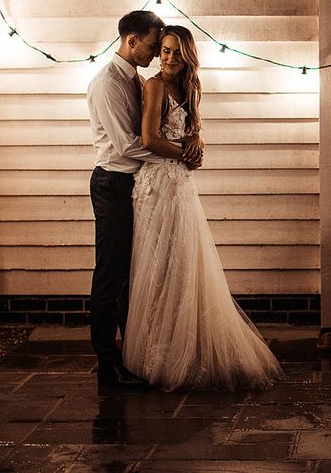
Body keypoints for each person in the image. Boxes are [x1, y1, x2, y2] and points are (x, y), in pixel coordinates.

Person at [122, 25, 284, 391]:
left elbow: (187, 129)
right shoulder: (154, 86)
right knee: (159, 262)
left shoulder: (189, 88)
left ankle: (187, 345)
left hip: (180, 182)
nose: (168, 58)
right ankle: (156, 352)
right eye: (164, 51)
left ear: (188, 56)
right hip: (158, 182)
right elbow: (149, 139)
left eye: (176, 52)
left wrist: (196, 139)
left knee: (184, 259)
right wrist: (186, 152)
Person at [87, 11, 202, 389]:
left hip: (137, 186)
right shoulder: (107, 84)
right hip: (112, 184)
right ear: (132, 40)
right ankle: (107, 363)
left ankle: (133, 354)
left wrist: (191, 141)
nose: (158, 55)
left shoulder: (136, 79)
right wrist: (181, 153)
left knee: (133, 274)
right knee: (111, 275)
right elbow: (129, 144)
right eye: (155, 46)